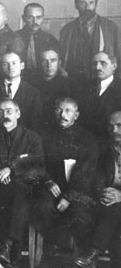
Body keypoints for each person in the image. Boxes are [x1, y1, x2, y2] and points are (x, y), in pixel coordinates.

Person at [33, 98, 99, 253]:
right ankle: (53, 249)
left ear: (76, 115)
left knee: (80, 214)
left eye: (68, 111)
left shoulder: (87, 139)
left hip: (78, 191)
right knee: (42, 207)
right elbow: (37, 162)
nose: (62, 115)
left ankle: (77, 257)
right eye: (58, 110)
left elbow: (86, 172)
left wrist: (69, 196)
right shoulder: (44, 136)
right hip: (50, 187)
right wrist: (47, 180)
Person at [0, 99, 46, 266]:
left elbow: (37, 167)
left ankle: (6, 244)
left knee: (17, 191)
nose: (5, 115)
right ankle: (12, 247)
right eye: (0, 112)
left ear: (18, 114)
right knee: (6, 193)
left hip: (24, 188)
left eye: (9, 111)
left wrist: (11, 170)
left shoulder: (32, 138)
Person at [74, 112, 121, 268]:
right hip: (106, 201)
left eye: (119, 126)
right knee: (110, 210)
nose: (114, 130)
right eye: (111, 126)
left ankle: (93, 253)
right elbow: (93, 177)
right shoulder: (102, 149)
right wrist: (103, 192)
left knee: (115, 209)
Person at [59, 0, 121, 84]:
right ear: (76, 5)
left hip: (101, 81)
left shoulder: (110, 28)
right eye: (83, 3)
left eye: (91, 3)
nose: (87, 7)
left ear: (96, 5)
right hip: (73, 81)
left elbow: (119, 56)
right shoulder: (67, 30)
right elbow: (61, 58)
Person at [0, 52, 43, 131]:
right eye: (5, 64)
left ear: (22, 65)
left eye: (14, 63)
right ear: (1, 67)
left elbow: (36, 122)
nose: (10, 67)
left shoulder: (33, 92)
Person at [29, 49, 75, 131]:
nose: (49, 65)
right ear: (39, 63)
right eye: (44, 61)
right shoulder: (31, 83)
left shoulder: (69, 84)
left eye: (53, 60)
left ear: (59, 63)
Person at [80, 52, 121, 139]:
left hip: (111, 140)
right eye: (94, 63)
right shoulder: (84, 87)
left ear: (114, 66)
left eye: (103, 63)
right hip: (86, 139)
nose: (97, 67)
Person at [16, 3, 60, 79]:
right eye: (30, 17)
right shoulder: (14, 38)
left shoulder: (50, 40)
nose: (35, 22)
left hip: (44, 81)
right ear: (23, 18)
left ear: (43, 18)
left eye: (38, 17)